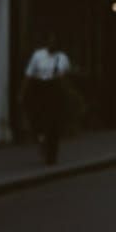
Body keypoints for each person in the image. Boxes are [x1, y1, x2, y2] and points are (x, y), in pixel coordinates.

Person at [21, 31, 70, 165]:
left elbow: (64, 77)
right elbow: (29, 75)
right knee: (39, 118)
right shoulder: (38, 55)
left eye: (55, 42)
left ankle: (51, 156)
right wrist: (23, 92)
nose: (52, 44)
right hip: (39, 88)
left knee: (53, 122)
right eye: (50, 41)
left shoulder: (62, 58)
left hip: (54, 89)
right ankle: (41, 138)